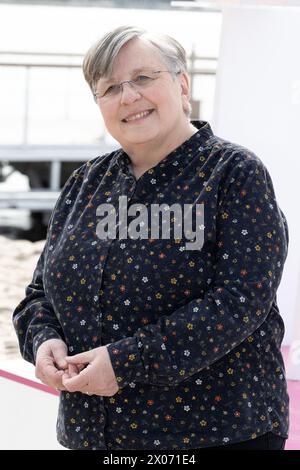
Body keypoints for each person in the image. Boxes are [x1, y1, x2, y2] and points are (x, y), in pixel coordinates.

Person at [12, 25, 289, 451]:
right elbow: (37, 295)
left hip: (213, 435)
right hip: (93, 435)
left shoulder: (235, 174)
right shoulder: (86, 182)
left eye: (143, 78)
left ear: (182, 84)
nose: (128, 97)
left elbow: (240, 301)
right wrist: (43, 341)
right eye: (110, 88)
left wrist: (124, 363)